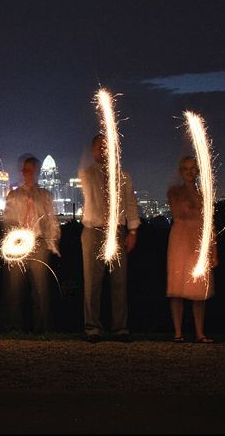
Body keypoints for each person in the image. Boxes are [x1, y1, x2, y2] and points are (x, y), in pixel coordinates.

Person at [78, 134, 140, 342]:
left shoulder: (124, 176)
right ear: (93, 150)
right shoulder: (87, 174)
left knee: (119, 280)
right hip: (93, 230)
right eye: (98, 147)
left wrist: (132, 231)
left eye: (106, 147)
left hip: (117, 230)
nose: (102, 151)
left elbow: (130, 204)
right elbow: (88, 182)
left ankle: (120, 327)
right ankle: (92, 327)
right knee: (92, 282)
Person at [0, 155, 61, 333]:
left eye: (32, 170)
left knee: (40, 289)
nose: (29, 174)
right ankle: (14, 327)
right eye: (26, 170)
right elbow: (8, 220)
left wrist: (52, 245)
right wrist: (12, 241)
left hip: (38, 243)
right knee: (15, 288)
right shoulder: (14, 195)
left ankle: (42, 328)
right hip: (17, 243)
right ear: (22, 172)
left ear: (37, 172)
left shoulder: (44, 195)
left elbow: (51, 222)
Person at [166, 156, 218, 343]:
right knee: (177, 287)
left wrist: (213, 250)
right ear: (181, 171)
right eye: (186, 168)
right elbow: (179, 212)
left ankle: (199, 332)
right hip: (180, 240)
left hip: (198, 239)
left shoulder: (204, 193)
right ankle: (178, 332)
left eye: (193, 168)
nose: (190, 172)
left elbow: (209, 223)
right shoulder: (174, 192)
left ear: (197, 171)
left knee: (199, 290)